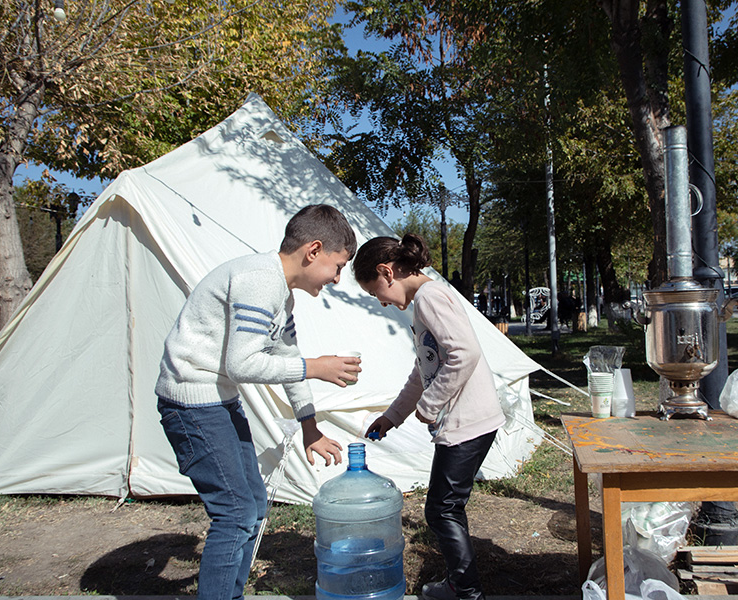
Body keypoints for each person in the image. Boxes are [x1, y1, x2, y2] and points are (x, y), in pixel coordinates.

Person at [154, 204, 361, 600]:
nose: (337, 279)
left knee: (252, 506)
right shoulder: (259, 281)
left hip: (217, 401)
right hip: (192, 403)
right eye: (338, 266)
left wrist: (309, 425)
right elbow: (242, 363)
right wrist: (315, 367)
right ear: (313, 250)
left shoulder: (282, 296)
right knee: (235, 513)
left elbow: (285, 356)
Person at [353, 233, 504, 600]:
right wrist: (393, 416)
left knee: (442, 510)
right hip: (467, 422)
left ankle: (466, 591)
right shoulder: (426, 300)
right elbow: (425, 369)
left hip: (467, 423)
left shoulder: (429, 298)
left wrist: (430, 405)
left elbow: (464, 353)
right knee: (444, 507)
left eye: (376, 293)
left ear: (387, 272)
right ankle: (461, 584)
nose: (383, 303)